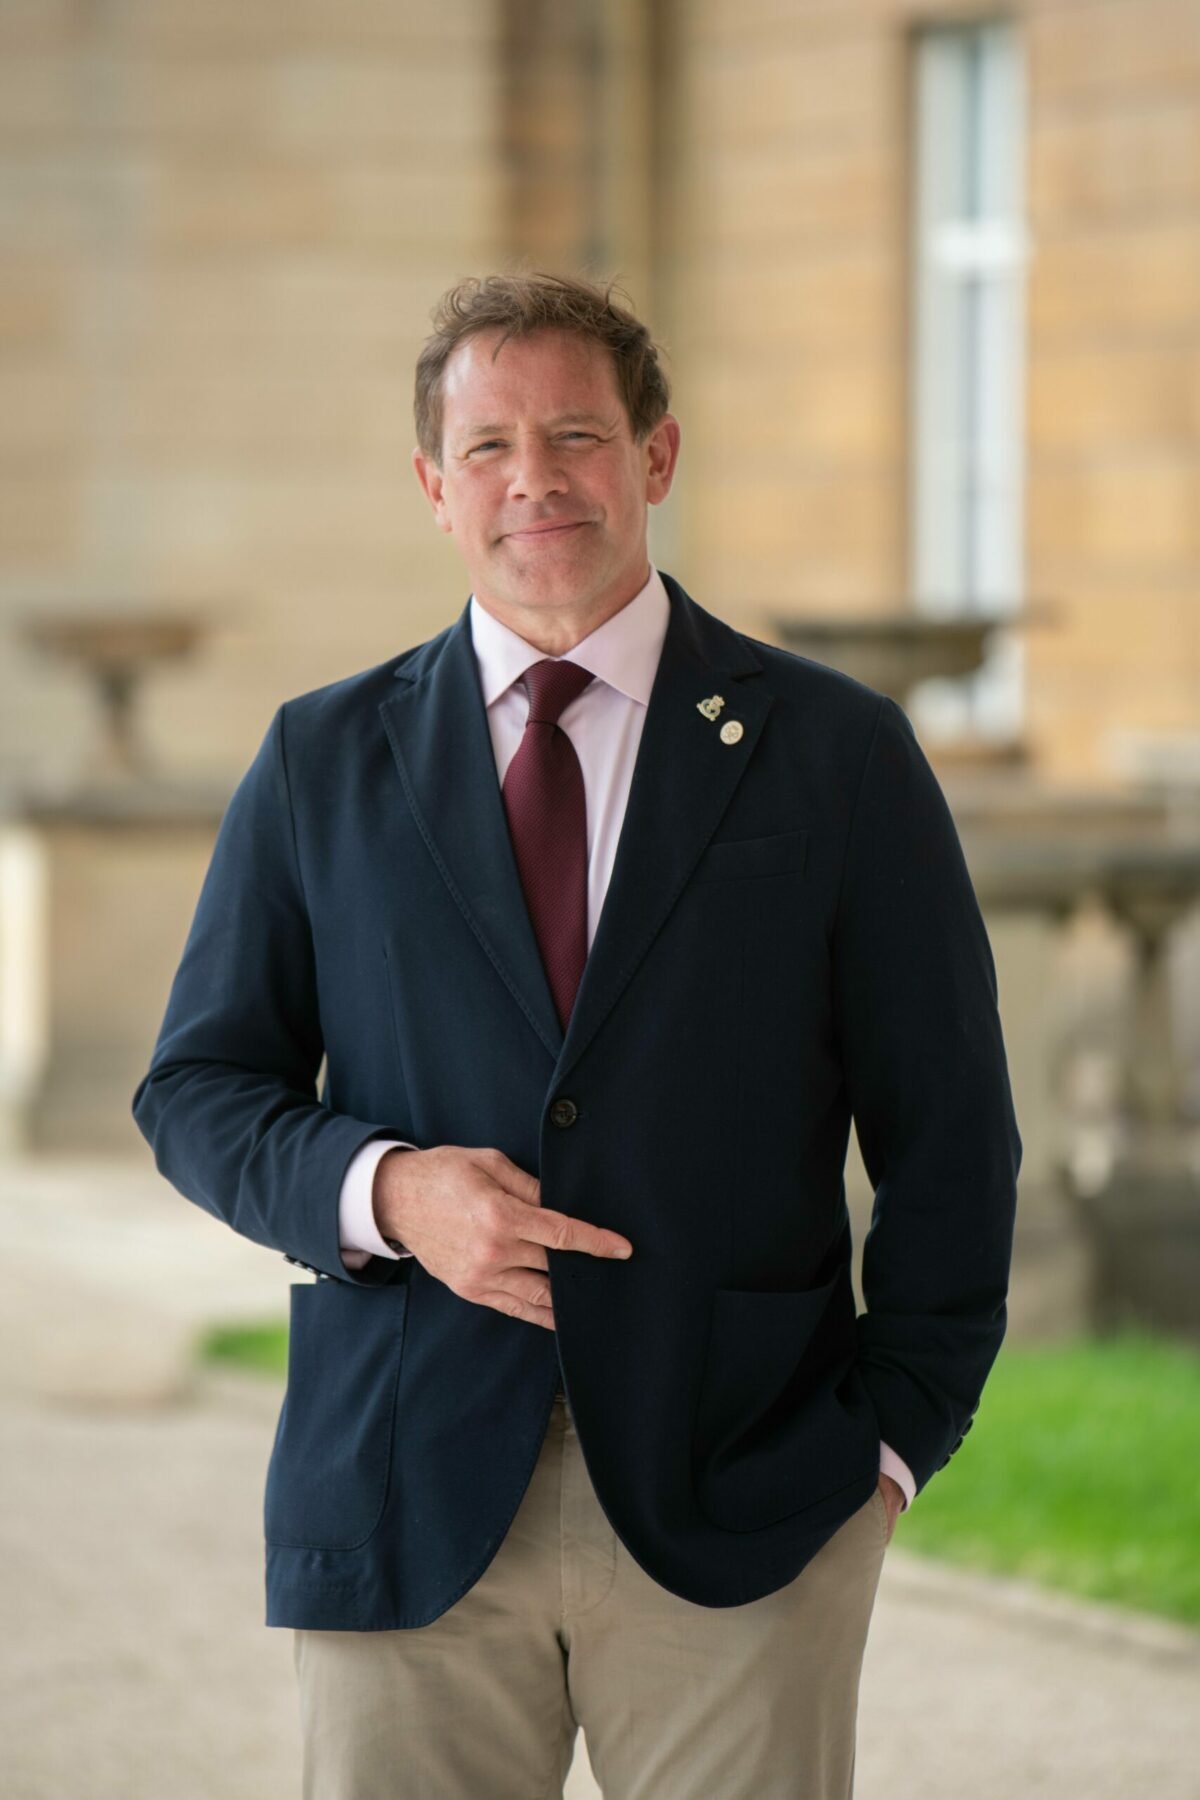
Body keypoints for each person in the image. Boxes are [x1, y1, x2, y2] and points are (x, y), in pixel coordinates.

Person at [133, 270, 1022, 1799]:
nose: (533, 481)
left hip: (747, 1500)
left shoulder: (836, 754)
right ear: (432, 485)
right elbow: (200, 1090)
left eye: (575, 435)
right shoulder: (321, 758)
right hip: (404, 1491)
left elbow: (950, 1129)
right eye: (486, 448)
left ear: (655, 456)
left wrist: (891, 1446)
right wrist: (388, 1189)